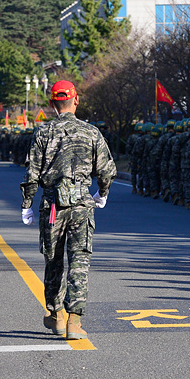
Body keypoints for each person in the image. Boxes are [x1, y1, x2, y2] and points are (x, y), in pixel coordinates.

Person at [20, 80, 117, 340]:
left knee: (53, 262)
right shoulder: (91, 132)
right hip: (81, 205)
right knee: (80, 262)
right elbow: (107, 170)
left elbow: (32, 174)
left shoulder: (43, 132)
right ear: (76, 101)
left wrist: (27, 204)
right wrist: (102, 193)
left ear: (52, 104)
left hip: (52, 206)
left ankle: (57, 316)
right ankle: (75, 322)